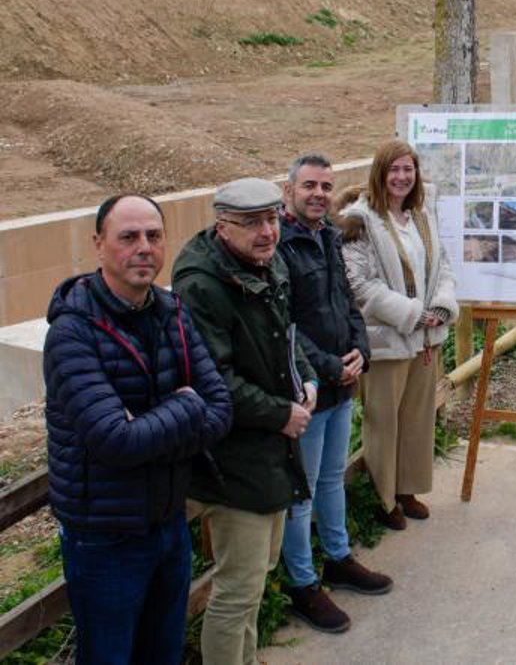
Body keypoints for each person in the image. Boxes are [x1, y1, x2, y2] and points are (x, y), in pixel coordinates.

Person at [43, 194, 232, 665]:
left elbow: (220, 408)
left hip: (168, 524)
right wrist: (186, 407)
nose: (143, 247)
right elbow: (114, 440)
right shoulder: (72, 332)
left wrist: (151, 429)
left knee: (163, 653)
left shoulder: (172, 311)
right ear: (98, 244)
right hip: (105, 538)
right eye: (128, 237)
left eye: (153, 235)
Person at [173, 177, 318, 664]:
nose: (268, 232)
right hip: (234, 462)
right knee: (236, 593)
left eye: (272, 219)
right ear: (223, 227)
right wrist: (281, 414)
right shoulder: (202, 286)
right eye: (252, 222)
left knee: (254, 583)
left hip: (269, 453)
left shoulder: (264, 262)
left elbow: (286, 335)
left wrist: (307, 376)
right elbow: (213, 379)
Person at [277, 154, 393, 633]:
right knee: (301, 492)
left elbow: (346, 301)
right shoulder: (279, 245)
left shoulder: (328, 236)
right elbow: (285, 323)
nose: (319, 194)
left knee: (330, 479)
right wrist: (328, 366)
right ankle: (302, 583)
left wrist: (360, 351)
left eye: (326, 186)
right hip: (307, 392)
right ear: (289, 191)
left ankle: (338, 557)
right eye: (309, 185)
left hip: (341, 385)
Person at [340, 140, 458, 531]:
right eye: (394, 169)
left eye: (408, 169)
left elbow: (440, 266)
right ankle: (383, 497)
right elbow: (359, 283)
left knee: (416, 419)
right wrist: (412, 315)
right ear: (380, 172)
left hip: (425, 338)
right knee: (383, 422)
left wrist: (441, 307)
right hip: (387, 342)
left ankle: (407, 489)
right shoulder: (359, 219)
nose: (402, 177)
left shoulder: (421, 215)